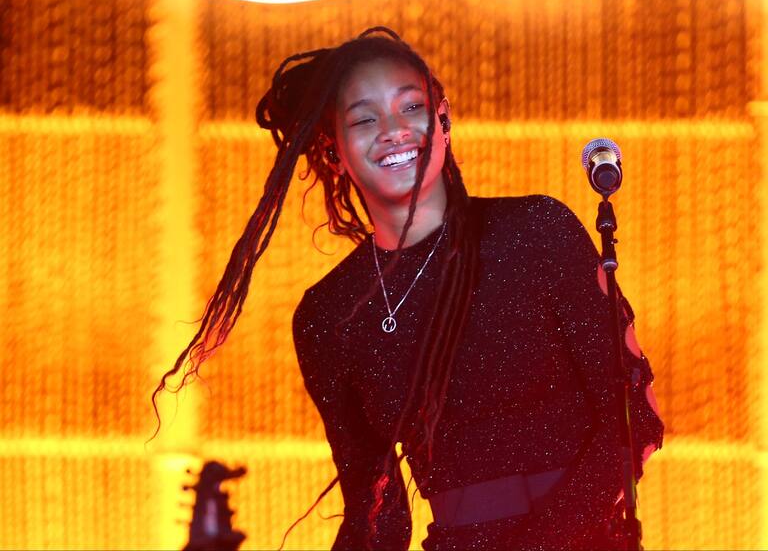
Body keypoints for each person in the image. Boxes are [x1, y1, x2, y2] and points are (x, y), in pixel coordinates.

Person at [153, 27, 664, 550]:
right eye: (364, 119)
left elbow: (633, 421)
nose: (393, 130)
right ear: (334, 150)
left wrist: (539, 542)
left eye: (410, 108)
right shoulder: (330, 315)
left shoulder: (536, 230)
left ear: (443, 120)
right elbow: (375, 513)